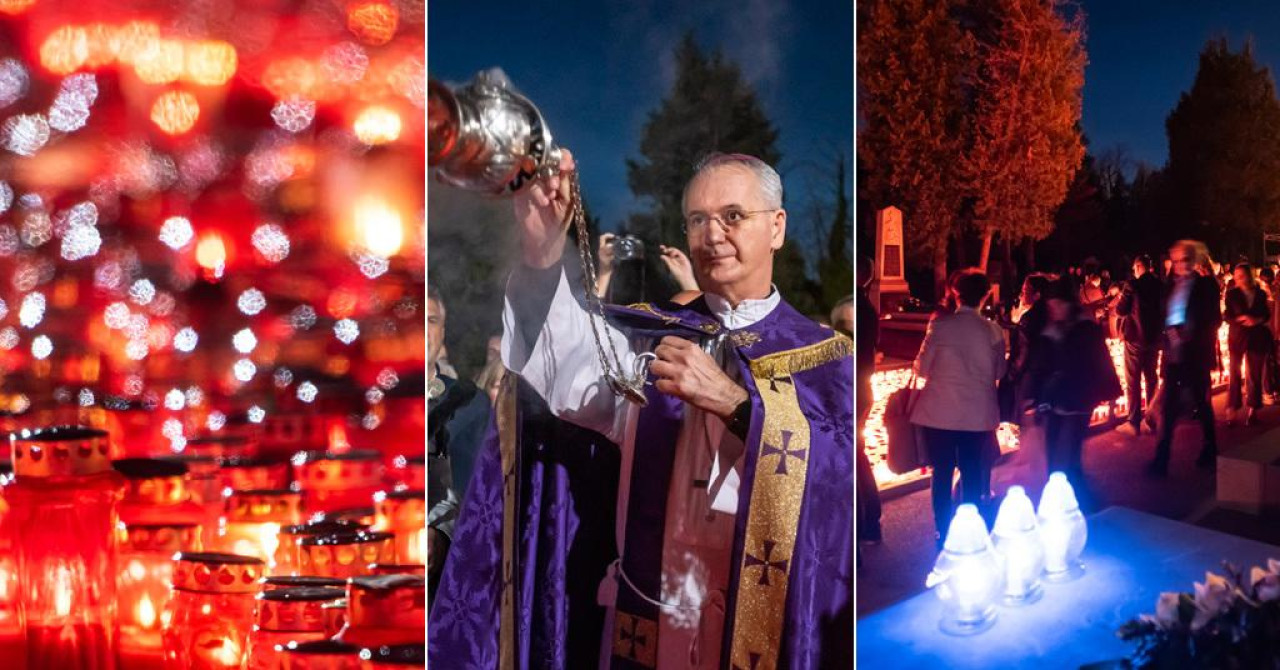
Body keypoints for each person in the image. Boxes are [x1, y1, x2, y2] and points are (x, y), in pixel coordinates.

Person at [431, 151, 853, 668]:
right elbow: (565, 366)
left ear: (777, 227)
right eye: (697, 220)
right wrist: (543, 252)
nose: (712, 235)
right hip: (647, 615)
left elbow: (841, 483)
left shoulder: (826, 358)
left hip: (759, 618)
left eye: (733, 216)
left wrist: (736, 405)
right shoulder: (647, 338)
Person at [909, 269, 1005, 545]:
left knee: (942, 471)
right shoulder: (993, 330)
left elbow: (921, 369)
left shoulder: (940, 326)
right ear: (985, 296)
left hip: (939, 413)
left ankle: (942, 530)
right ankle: (970, 531)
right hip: (977, 415)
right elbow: (1000, 371)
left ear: (956, 294)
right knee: (972, 470)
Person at [1023, 279, 1121, 504]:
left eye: (1058, 304)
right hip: (1054, 401)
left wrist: (1106, 391)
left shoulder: (1085, 329)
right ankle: (1059, 494)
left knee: (1070, 450)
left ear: (1068, 304)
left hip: (1077, 399)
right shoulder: (1050, 331)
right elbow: (1039, 365)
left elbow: (1099, 361)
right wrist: (1033, 395)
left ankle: (1078, 497)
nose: (1054, 309)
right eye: (1051, 305)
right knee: (1053, 450)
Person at [425, 285, 492, 609]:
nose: (423, 331)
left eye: (431, 320)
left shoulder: (469, 403)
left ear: (443, 331)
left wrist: (440, 534)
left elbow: (478, 493)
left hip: (445, 580)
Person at [1150, 240, 1222, 475]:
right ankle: (1161, 460)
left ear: (1194, 260)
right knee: (1168, 407)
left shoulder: (1206, 285)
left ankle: (1210, 448)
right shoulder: (1169, 286)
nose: (1181, 265)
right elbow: (1163, 316)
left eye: (1186, 259)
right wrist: (1168, 334)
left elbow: (1214, 318)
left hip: (1196, 355)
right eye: (1177, 260)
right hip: (1173, 355)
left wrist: (1190, 333)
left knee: (1201, 403)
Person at [1114, 254, 1165, 435]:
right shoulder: (1160, 285)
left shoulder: (1132, 285)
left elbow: (1120, 310)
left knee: (1133, 380)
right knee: (1151, 378)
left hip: (1135, 339)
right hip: (1154, 340)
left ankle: (1133, 421)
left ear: (1138, 267)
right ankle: (1150, 420)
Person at [852, 261, 882, 547]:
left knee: (853, 459)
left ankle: (865, 523)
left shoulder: (856, 309)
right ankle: (870, 521)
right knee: (857, 457)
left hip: (852, 391)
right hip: (861, 390)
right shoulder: (867, 308)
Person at [1223, 262, 1271, 426]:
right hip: (1237, 337)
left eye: (1242, 276)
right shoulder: (1232, 294)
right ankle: (1232, 409)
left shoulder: (1260, 294)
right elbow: (1227, 315)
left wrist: (1256, 320)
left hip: (1256, 337)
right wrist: (1241, 318)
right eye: (1236, 276)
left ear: (1249, 276)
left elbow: (1266, 314)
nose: (1239, 279)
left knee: (1254, 375)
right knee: (1234, 374)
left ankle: (1253, 410)